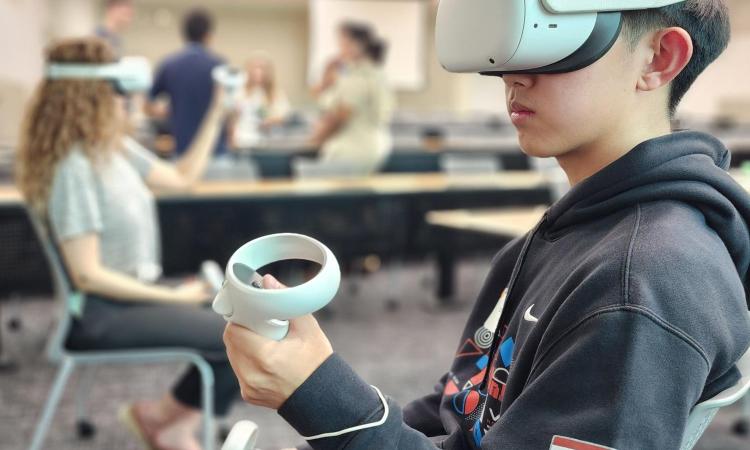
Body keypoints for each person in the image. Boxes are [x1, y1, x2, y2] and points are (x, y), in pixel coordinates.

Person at [223, 1, 750, 449]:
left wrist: (320, 396)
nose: (513, 76)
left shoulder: (639, 285)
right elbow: (460, 412)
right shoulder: (558, 238)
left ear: (660, 59)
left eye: (555, 44)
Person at [16, 38, 238, 450]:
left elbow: (184, 177)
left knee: (247, 323)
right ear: (90, 99)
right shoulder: (74, 168)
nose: (131, 102)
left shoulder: (111, 149)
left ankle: (161, 419)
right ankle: (165, 424)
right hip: (101, 314)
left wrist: (218, 111)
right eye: (121, 93)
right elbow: (87, 274)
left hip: (130, 296)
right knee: (235, 335)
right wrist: (173, 297)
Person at [309, 22, 395, 175]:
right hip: (372, 147)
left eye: (341, 42)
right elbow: (325, 98)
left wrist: (315, 140)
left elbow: (339, 118)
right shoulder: (375, 73)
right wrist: (326, 75)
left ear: (354, 45)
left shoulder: (357, 77)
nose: (339, 48)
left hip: (352, 150)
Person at [147, 8, 228, 157]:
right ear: (208, 35)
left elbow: (148, 103)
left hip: (183, 150)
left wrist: (170, 111)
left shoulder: (169, 65)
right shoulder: (220, 66)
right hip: (215, 149)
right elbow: (229, 107)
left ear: (184, 35)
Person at [229, 54, 291, 150]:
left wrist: (270, 120)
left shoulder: (276, 93)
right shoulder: (239, 90)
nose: (258, 72)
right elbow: (230, 116)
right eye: (255, 68)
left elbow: (284, 115)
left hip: (266, 141)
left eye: (262, 68)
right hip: (241, 140)